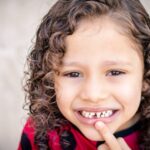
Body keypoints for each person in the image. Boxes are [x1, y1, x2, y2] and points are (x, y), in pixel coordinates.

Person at [18, 0, 150, 149]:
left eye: (115, 72)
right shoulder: (40, 133)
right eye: (73, 74)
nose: (93, 95)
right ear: (50, 78)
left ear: (145, 76)